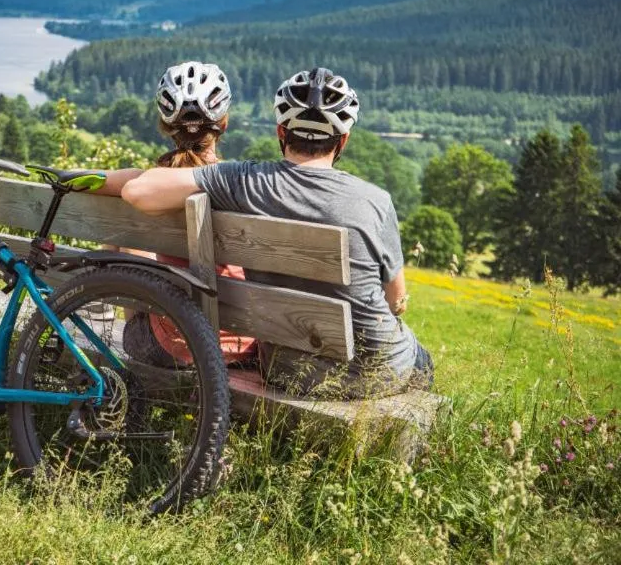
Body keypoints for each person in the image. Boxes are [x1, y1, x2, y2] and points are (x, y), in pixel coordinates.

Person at [111, 67, 433, 398]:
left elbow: (139, 191)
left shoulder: (245, 182)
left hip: (284, 369)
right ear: (344, 139)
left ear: (281, 131)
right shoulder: (377, 201)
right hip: (380, 370)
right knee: (423, 361)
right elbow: (396, 302)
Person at [96, 61, 256, 366]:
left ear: (166, 126)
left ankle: (99, 307)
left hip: (171, 347)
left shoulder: (149, 183)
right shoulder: (241, 185)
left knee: (128, 232)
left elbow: (94, 181)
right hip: (242, 346)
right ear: (224, 123)